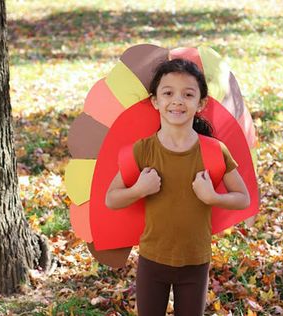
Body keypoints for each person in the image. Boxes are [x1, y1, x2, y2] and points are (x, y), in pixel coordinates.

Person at [105, 59, 250, 316]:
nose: (177, 101)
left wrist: (213, 197)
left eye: (188, 94)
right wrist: (139, 189)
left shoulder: (214, 151)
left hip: (196, 261)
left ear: (201, 103)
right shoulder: (142, 150)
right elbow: (111, 199)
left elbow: (243, 198)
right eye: (168, 93)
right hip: (152, 260)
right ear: (155, 101)